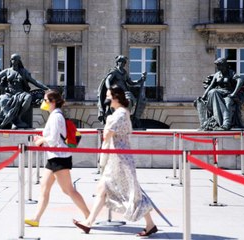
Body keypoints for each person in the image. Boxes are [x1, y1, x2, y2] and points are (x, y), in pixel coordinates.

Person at [74, 86, 157, 237]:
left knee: (132, 192)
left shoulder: (120, 114)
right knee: (103, 189)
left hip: (120, 160)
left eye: (108, 97)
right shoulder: (120, 113)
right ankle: (88, 223)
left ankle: (150, 224)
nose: (106, 100)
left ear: (116, 97)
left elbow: (107, 134)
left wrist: (107, 125)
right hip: (117, 158)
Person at [24, 89, 90, 227]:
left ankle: (89, 216)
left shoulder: (56, 116)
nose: (43, 103)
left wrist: (40, 139)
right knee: (44, 187)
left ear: (53, 102)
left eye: (45, 100)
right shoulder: (55, 115)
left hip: (59, 157)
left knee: (68, 190)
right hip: (54, 157)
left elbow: (53, 140)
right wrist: (42, 139)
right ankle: (36, 219)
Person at [0, 53, 49, 129]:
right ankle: (13, 121)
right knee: (3, 101)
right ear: (11, 60)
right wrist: (3, 88)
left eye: (16, 59)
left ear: (19, 61)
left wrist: (46, 88)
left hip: (20, 93)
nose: (14, 61)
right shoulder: (7, 71)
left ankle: (18, 117)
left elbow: (34, 82)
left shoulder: (23, 72)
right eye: (13, 59)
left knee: (28, 97)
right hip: (9, 94)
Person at [195, 57, 244, 131]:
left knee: (227, 102)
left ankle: (226, 123)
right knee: (213, 92)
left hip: (228, 93)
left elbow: (240, 81)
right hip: (219, 94)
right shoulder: (217, 75)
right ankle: (223, 122)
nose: (218, 67)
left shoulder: (231, 73)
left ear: (224, 65)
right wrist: (203, 96)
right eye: (217, 65)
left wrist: (234, 93)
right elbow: (211, 86)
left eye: (219, 65)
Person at [97, 55, 146, 126]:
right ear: (118, 62)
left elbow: (130, 82)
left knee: (129, 100)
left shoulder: (124, 72)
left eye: (124, 62)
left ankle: (125, 117)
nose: (123, 63)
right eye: (121, 62)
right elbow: (107, 80)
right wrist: (110, 89)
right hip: (117, 91)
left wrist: (140, 80)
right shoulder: (114, 71)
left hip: (125, 92)